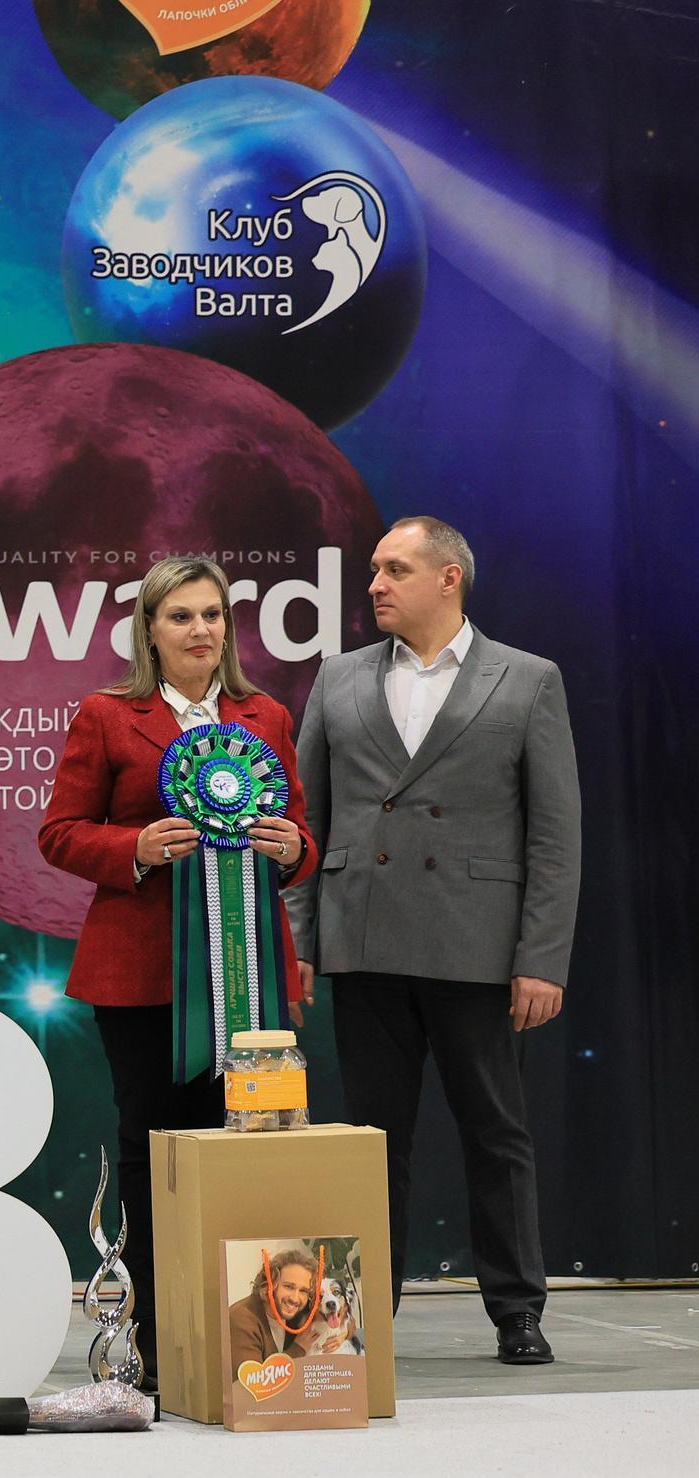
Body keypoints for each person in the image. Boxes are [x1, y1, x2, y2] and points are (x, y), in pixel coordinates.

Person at [284, 517, 580, 1366]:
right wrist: (301, 940)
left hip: (476, 945)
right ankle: (362, 1314)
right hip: (363, 938)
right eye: (374, 568)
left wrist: (541, 956)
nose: (373, 583)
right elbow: (306, 822)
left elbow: (556, 834)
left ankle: (517, 1310)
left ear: (449, 578)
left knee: (496, 1131)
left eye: (394, 568)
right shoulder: (336, 678)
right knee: (374, 1139)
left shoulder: (527, 680)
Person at [38, 556, 314, 1390]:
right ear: (149, 631)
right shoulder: (108, 716)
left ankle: (263, 1345)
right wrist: (135, 847)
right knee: (153, 1155)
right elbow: (59, 832)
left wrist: (295, 848)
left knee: (259, 1154)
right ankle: (159, 1344)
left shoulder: (265, 715)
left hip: (255, 982)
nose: (201, 630)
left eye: (212, 615)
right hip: (141, 982)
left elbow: (299, 830)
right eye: (182, 616)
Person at [227, 1246, 319, 1373]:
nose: (295, 1298)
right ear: (270, 1284)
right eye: (289, 1287)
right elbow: (251, 1383)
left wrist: (344, 1334)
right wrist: (297, 1350)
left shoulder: (299, 1310)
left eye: (303, 1290)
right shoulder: (241, 1319)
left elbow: (347, 1318)